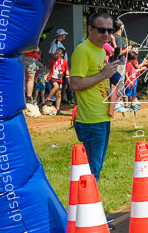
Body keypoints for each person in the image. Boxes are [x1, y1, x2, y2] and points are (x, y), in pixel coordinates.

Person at [70, 11, 123, 181]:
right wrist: (103, 75)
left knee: (96, 168)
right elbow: (75, 84)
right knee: (92, 172)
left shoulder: (101, 51)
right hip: (91, 121)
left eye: (110, 30)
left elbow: (100, 79)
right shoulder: (82, 51)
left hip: (103, 116)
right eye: (102, 30)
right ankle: (87, 205)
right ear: (90, 29)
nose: (107, 34)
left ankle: (88, 205)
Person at [47, 49, 70, 115]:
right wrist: (47, 75)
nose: (56, 53)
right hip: (53, 77)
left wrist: (67, 73)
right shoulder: (53, 61)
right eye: (56, 52)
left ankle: (57, 109)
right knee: (55, 87)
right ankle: (48, 98)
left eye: (58, 52)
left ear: (62, 55)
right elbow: (51, 69)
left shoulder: (64, 61)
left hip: (60, 79)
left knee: (59, 94)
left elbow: (66, 69)